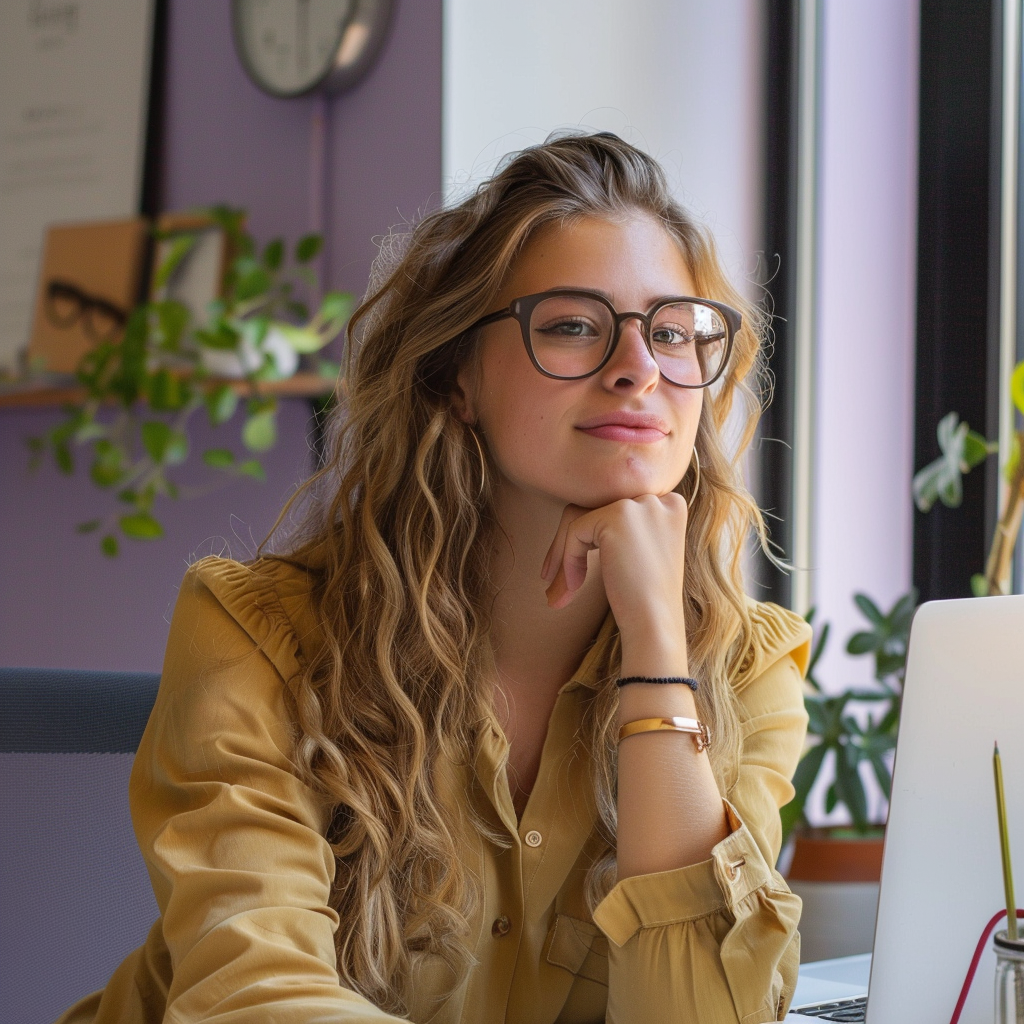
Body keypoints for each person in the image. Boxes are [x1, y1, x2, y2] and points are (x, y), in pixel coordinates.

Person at [56, 132, 811, 1024]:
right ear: (456, 377)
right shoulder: (259, 635)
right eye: (573, 325)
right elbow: (260, 997)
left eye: (676, 332)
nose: (638, 368)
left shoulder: (741, 669)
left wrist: (655, 646)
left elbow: (702, 1014)